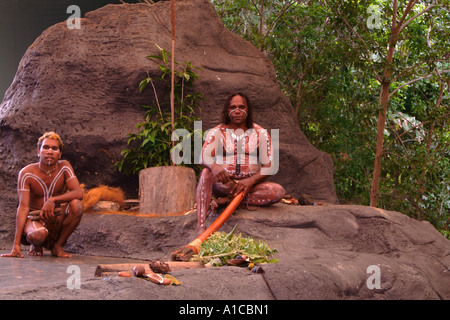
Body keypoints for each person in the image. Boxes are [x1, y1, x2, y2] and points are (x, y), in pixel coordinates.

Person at [196, 92, 285, 235]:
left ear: (248, 110)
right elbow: (203, 156)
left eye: (241, 107)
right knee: (206, 173)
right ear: (227, 110)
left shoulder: (260, 133)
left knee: (277, 191)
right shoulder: (217, 132)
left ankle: (225, 202)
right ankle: (200, 226)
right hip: (223, 185)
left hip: (249, 188)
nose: (237, 111)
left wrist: (250, 181)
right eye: (233, 107)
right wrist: (214, 166)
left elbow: (270, 167)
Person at [1, 132, 83, 258]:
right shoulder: (26, 173)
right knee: (38, 235)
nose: (50, 151)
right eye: (46, 147)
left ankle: (58, 246)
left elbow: (78, 193)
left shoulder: (64, 167)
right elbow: (23, 207)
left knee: (76, 205)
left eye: (54, 148)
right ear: (38, 151)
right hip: (34, 218)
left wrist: (52, 200)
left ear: (59, 154)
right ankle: (36, 243)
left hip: (56, 217)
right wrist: (16, 245)